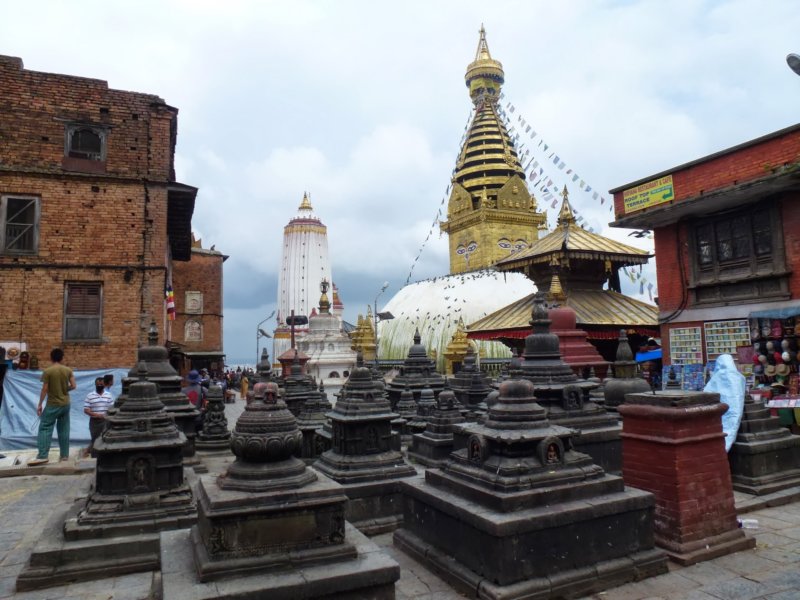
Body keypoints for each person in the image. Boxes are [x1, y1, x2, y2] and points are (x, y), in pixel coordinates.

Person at [29, 348, 76, 466]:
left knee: (45, 427)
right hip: (65, 404)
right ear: (62, 358)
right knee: (64, 429)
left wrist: (40, 404)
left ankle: (43, 455)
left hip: (52, 404)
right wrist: (64, 389)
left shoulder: (48, 371)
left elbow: (45, 389)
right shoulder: (68, 370)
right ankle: (64, 455)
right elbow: (74, 386)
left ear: (51, 358)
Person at [704, 353, 746, 452]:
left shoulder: (715, 378)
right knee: (731, 422)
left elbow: (707, 393)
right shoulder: (738, 377)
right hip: (733, 407)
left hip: (720, 410)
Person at [83, 376, 113, 457]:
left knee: (104, 438)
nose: (100, 386)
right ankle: (94, 457)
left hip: (105, 421)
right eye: (98, 384)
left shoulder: (108, 395)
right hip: (94, 422)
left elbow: (111, 408)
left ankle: (104, 456)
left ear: (104, 384)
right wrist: (96, 415)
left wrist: (105, 415)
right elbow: (86, 410)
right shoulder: (90, 395)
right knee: (95, 439)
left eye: (101, 384)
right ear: (95, 385)